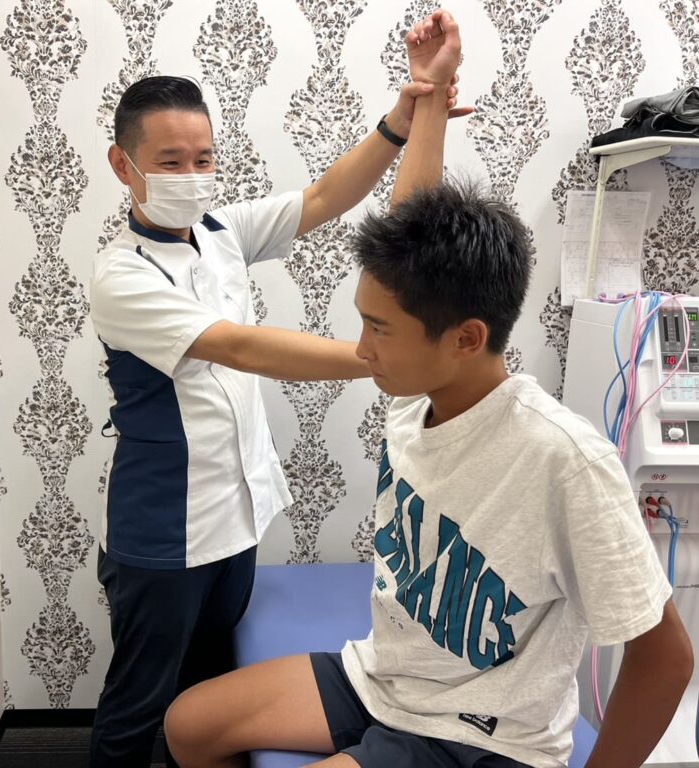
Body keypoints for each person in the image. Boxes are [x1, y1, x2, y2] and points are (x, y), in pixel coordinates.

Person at [164, 11, 693, 768]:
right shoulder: (424, 392)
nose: (362, 349)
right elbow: (411, 224)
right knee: (188, 724)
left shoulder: (563, 461)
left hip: (477, 732)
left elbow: (665, 656)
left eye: (379, 330)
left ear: (465, 339)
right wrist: (429, 95)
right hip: (385, 678)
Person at [87, 10, 469, 767]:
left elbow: (324, 198)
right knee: (137, 706)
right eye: (170, 161)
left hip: (235, 517)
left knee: (205, 694)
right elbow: (241, 347)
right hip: (162, 531)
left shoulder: (221, 233)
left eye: (203, 158)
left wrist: (398, 124)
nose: (191, 175)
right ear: (123, 165)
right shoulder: (121, 275)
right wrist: (387, 358)